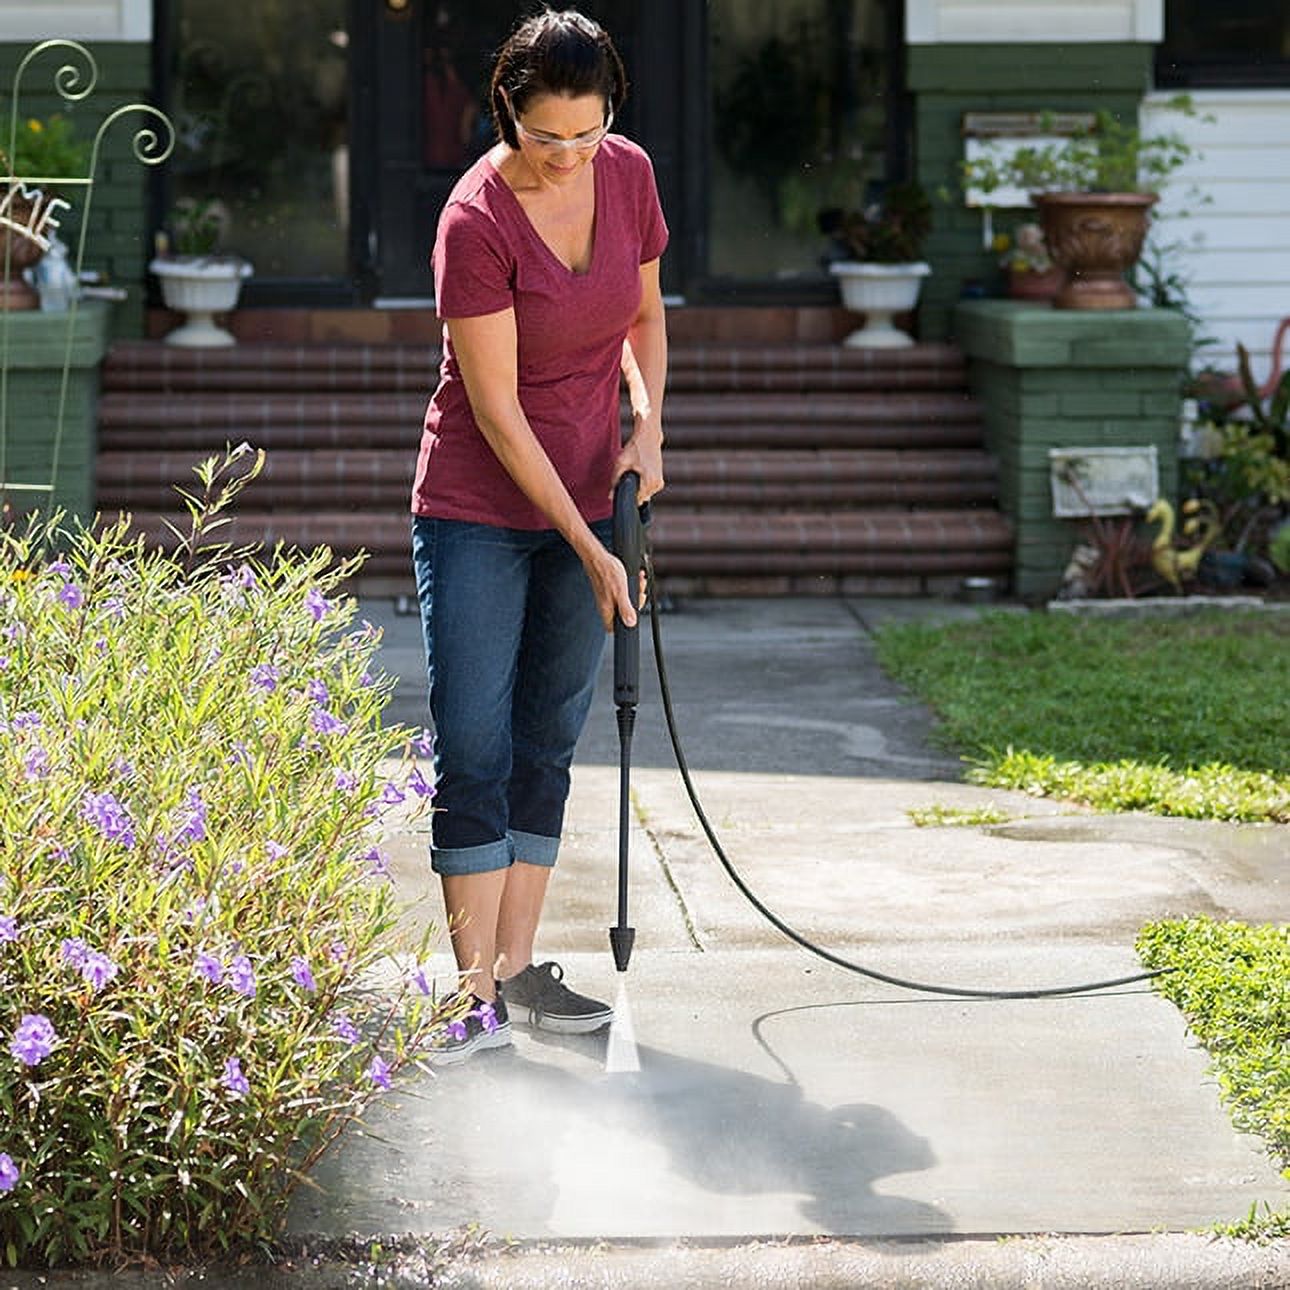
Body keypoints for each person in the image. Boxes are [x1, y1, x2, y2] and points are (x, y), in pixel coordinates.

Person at [410, 8, 668, 1065]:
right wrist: (589, 544)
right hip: (480, 510)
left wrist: (647, 432)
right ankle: (470, 1000)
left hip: (593, 500)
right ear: (507, 109)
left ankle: (515, 979)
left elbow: (643, 320)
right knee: (475, 746)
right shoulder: (474, 221)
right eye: (546, 138)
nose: (569, 159)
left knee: (546, 744)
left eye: (588, 136)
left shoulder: (629, 175)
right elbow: (500, 412)